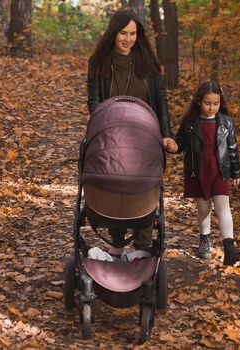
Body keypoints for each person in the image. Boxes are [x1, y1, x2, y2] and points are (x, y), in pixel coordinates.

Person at [86, 8, 177, 257]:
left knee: (144, 187)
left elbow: (161, 103)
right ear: (113, 33)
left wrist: (166, 134)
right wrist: (104, 125)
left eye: (133, 33)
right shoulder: (99, 64)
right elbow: (94, 103)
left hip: (144, 138)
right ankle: (117, 242)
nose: (128, 39)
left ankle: (143, 247)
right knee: (115, 185)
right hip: (112, 137)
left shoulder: (149, 65)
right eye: (123, 33)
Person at [173, 81, 240, 266]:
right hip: (198, 170)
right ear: (199, 102)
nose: (212, 107)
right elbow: (180, 143)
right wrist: (173, 146)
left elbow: (232, 149)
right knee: (204, 209)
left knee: (223, 207)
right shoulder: (190, 123)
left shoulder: (226, 123)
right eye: (207, 103)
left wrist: (236, 171)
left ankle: (229, 246)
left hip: (220, 169)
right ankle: (205, 239)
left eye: (216, 103)